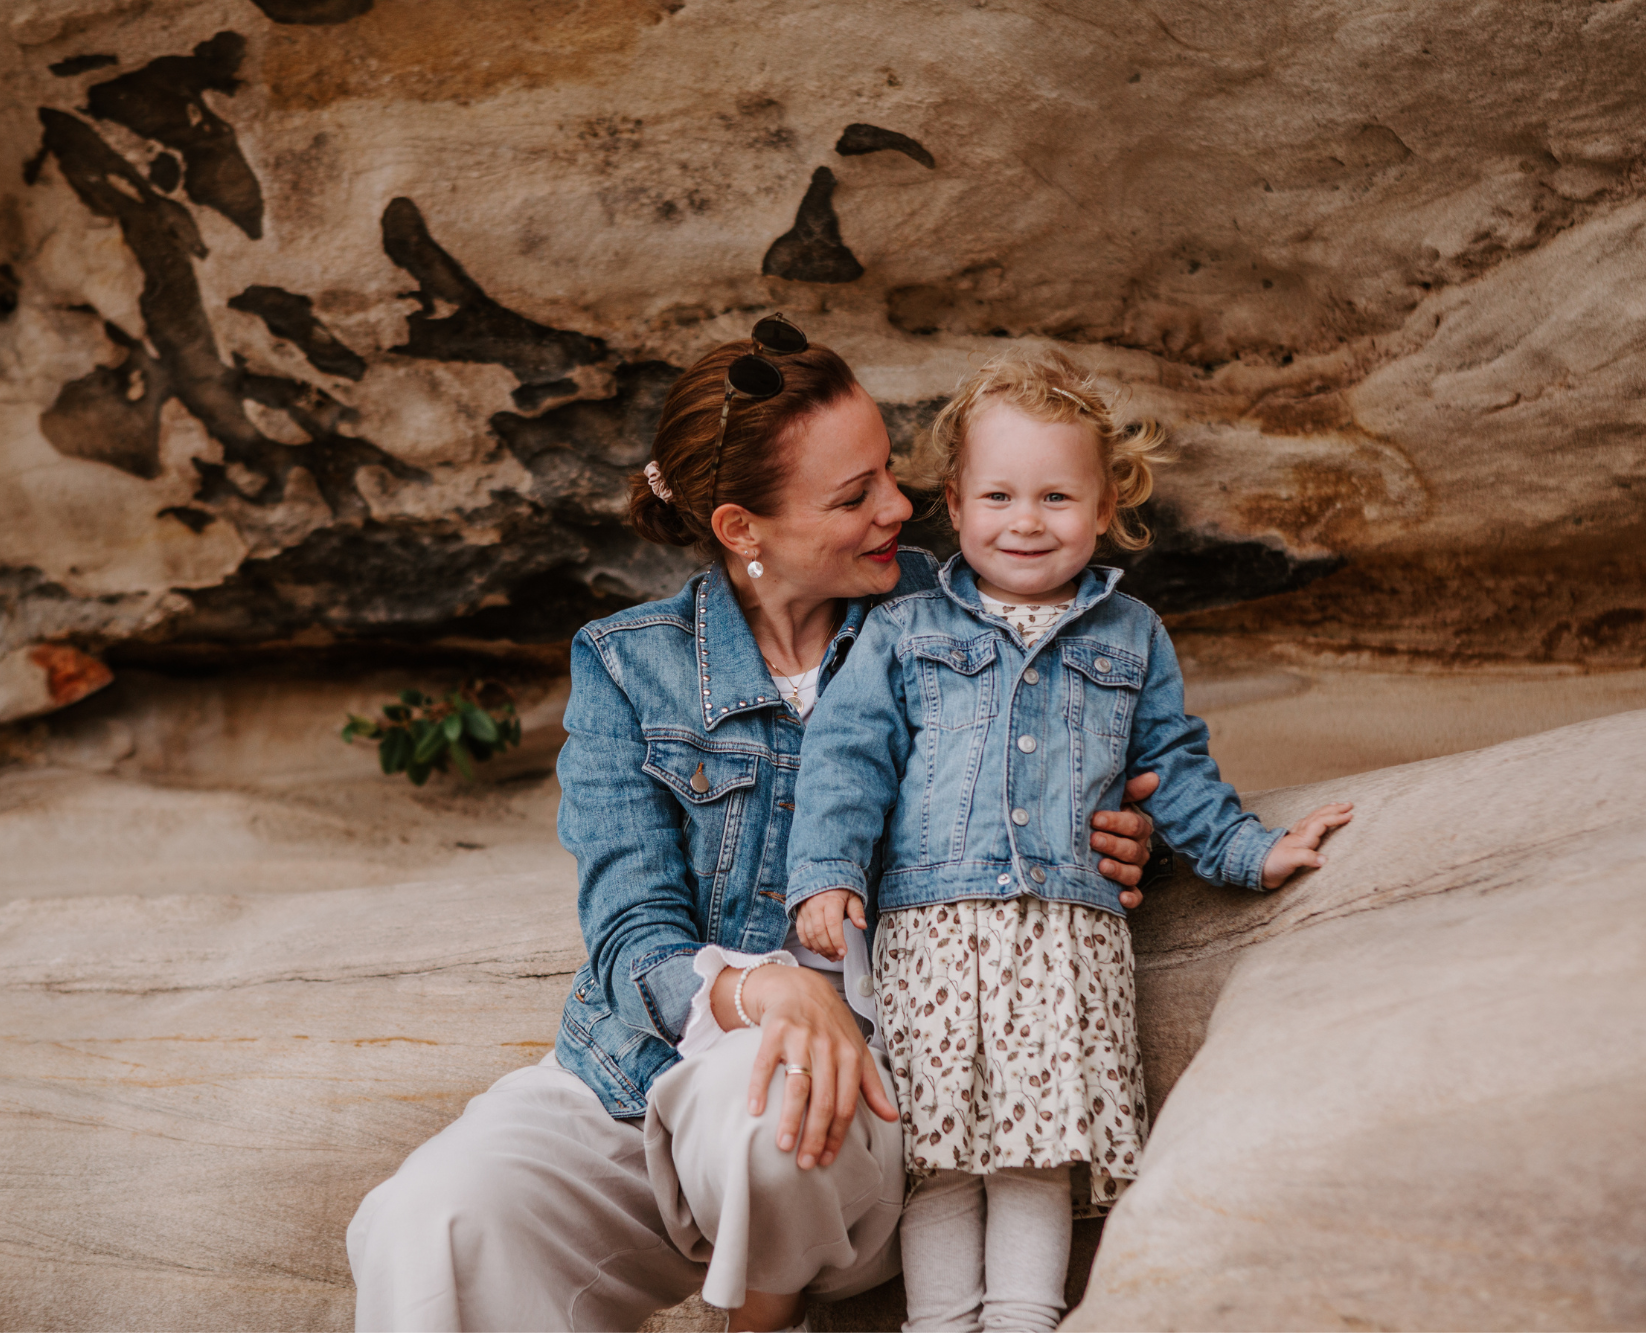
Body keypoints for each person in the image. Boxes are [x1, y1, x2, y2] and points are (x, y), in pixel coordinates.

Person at [345, 319, 1163, 1333]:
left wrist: (1125, 832)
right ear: (742, 529)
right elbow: (630, 937)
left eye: (889, 475)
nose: (899, 509)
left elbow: (1101, 734)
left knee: (762, 1096)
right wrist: (758, 986)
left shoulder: (967, 611)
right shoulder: (625, 664)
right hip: (645, 1070)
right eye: (853, 495)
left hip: (867, 1104)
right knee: (427, 1220)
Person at [789, 348, 1354, 1331]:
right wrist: (828, 875)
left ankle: (1023, 1318)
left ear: (1102, 508)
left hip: (1065, 939)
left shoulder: (1128, 634)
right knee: (942, 1157)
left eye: (1056, 496)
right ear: (954, 505)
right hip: (933, 933)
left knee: (1034, 1155)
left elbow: (1170, 767)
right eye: (998, 494)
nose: (1024, 520)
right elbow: (846, 759)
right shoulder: (904, 631)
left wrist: (1249, 851)